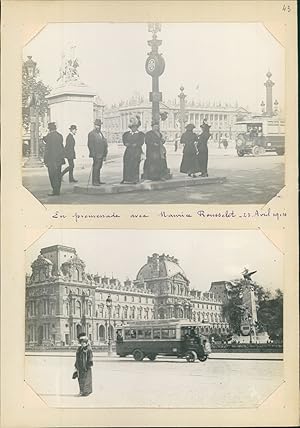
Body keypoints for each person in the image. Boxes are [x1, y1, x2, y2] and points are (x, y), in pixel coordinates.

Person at [43, 122, 65, 196]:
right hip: (59, 159)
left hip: (51, 160)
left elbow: (47, 149)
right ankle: (58, 190)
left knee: (52, 175)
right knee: (58, 175)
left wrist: (45, 160)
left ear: (49, 129)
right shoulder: (60, 136)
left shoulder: (49, 136)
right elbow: (62, 148)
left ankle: (54, 190)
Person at [121, 116, 145, 184]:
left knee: (135, 165)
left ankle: (135, 178)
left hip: (136, 152)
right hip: (128, 152)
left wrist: (136, 144)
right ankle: (127, 178)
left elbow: (141, 142)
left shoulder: (140, 134)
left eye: (135, 127)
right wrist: (127, 144)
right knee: (127, 164)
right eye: (132, 127)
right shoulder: (126, 134)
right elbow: (124, 142)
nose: (133, 128)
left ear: (137, 127)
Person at [87, 119, 108, 186]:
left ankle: (98, 180)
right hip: (96, 154)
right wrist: (93, 153)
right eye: (97, 125)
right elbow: (90, 144)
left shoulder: (100, 133)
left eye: (99, 125)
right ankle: (94, 181)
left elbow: (104, 143)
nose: (98, 127)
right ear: (94, 125)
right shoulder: (91, 134)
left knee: (99, 167)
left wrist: (105, 153)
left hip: (101, 153)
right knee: (96, 167)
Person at [74, 332, 93, 397]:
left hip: (86, 367)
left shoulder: (88, 349)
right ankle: (81, 391)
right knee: (80, 379)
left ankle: (86, 392)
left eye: (84, 342)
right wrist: (76, 366)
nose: (83, 343)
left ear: (86, 342)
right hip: (80, 366)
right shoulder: (79, 349)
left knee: (86, 380)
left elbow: (90, 357)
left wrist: (89, 365)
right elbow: (77, 357)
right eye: (81, 342)